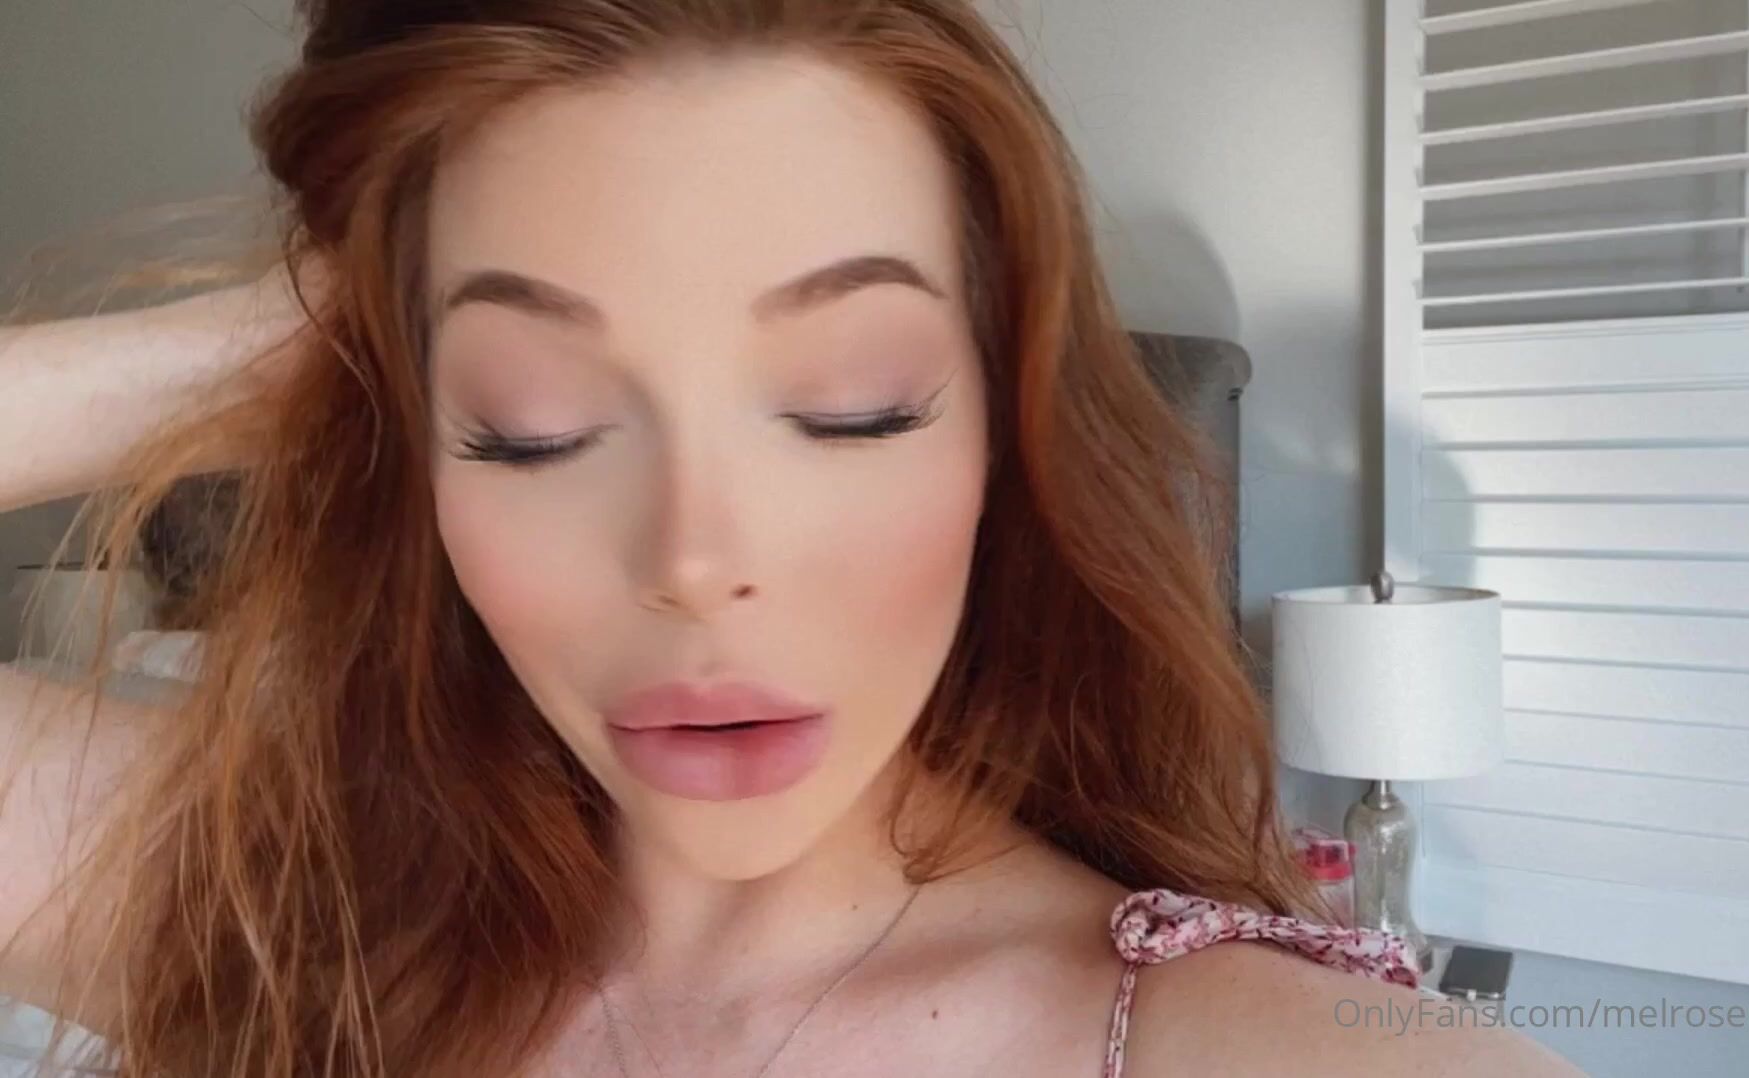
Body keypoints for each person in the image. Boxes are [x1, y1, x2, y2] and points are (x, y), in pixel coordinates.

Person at [0, 2, 1579, 1075]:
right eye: (531, 422)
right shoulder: (290, 916)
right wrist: (295, 345)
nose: (696, 559)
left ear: (1004, 432)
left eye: (850, 406)